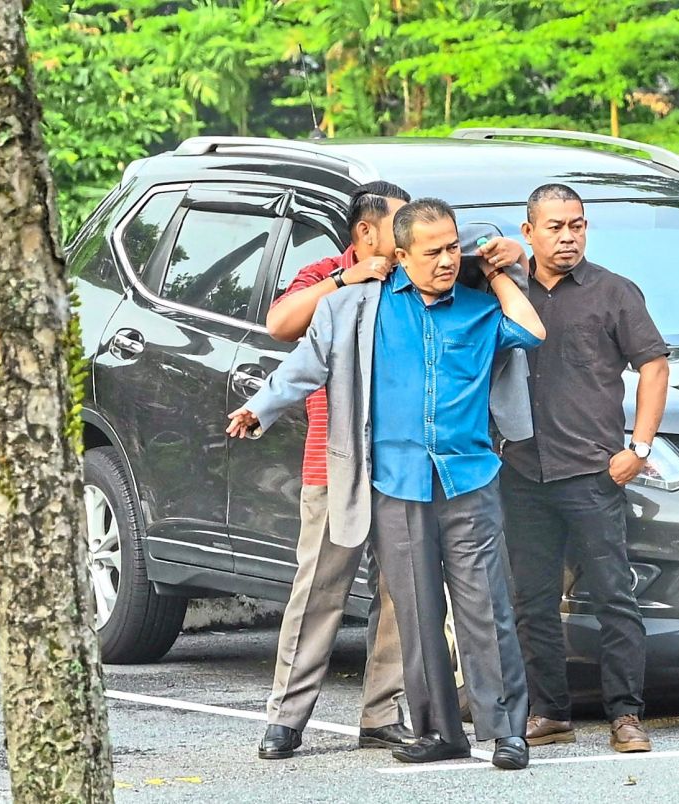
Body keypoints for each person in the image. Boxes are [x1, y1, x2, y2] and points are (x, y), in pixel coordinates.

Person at [228, 198, 544, 770]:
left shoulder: (478, 310)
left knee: (485, 608)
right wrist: (260, 407)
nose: (447, 259)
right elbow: (305, 364)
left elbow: (530, 329)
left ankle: (505, 731)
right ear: (399, 256)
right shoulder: (353, 308)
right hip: (395, 483)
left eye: (453, 247)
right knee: (416, 613)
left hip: (468, 478)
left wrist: (497, 271)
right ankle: (437, 730)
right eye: (433, 252)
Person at [500, 183, 670, 753]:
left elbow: (654, 366)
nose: (567, 236)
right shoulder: (508, 291)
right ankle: (550, 711)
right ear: (529, 232)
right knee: (532, 600)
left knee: (614, 597)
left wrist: (638, 449)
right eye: (554, 226)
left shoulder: (613, 292)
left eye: (576, 225)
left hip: (594, 472)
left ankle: (627, 716)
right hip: (521, 471)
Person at [256, 181, 414, 760]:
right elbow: (281, 324)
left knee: (402, 593)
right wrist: (347, 279)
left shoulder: (414, 276)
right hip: (334, 461)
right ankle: (286, 718)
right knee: (319, 589)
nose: (409, 237)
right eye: (399, 226)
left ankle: (383, 713)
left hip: (402, 463)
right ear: (366, 232)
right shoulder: (324, 272)